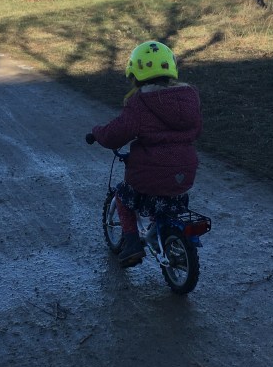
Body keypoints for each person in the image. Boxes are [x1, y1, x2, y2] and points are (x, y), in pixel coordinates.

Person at [86, 41, 202, 267]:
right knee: (171, 198)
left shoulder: (140, 103)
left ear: (135, 74)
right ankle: (166, 232)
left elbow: (116, 133)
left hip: (152, 173)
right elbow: (197, 130)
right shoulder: (190, 98)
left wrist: (97, 133)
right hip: (185, 169)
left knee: (123, 195)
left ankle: (131, 243)